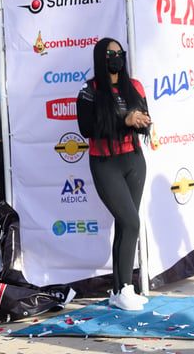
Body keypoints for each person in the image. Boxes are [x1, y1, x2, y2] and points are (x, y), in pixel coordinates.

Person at [76, 38, 152, 312]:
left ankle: (121, 289)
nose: (116, 57)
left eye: (120, 53)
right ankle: (122, 289)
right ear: (101, 57)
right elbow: (87, 128)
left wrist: (142, 121)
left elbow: (144, 121)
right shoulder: (89, 91)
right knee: (131, 222)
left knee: (125, 224)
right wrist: (125, 120)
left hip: (134, 161)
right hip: (105, 162)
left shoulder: (135, 87)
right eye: (110, 53)